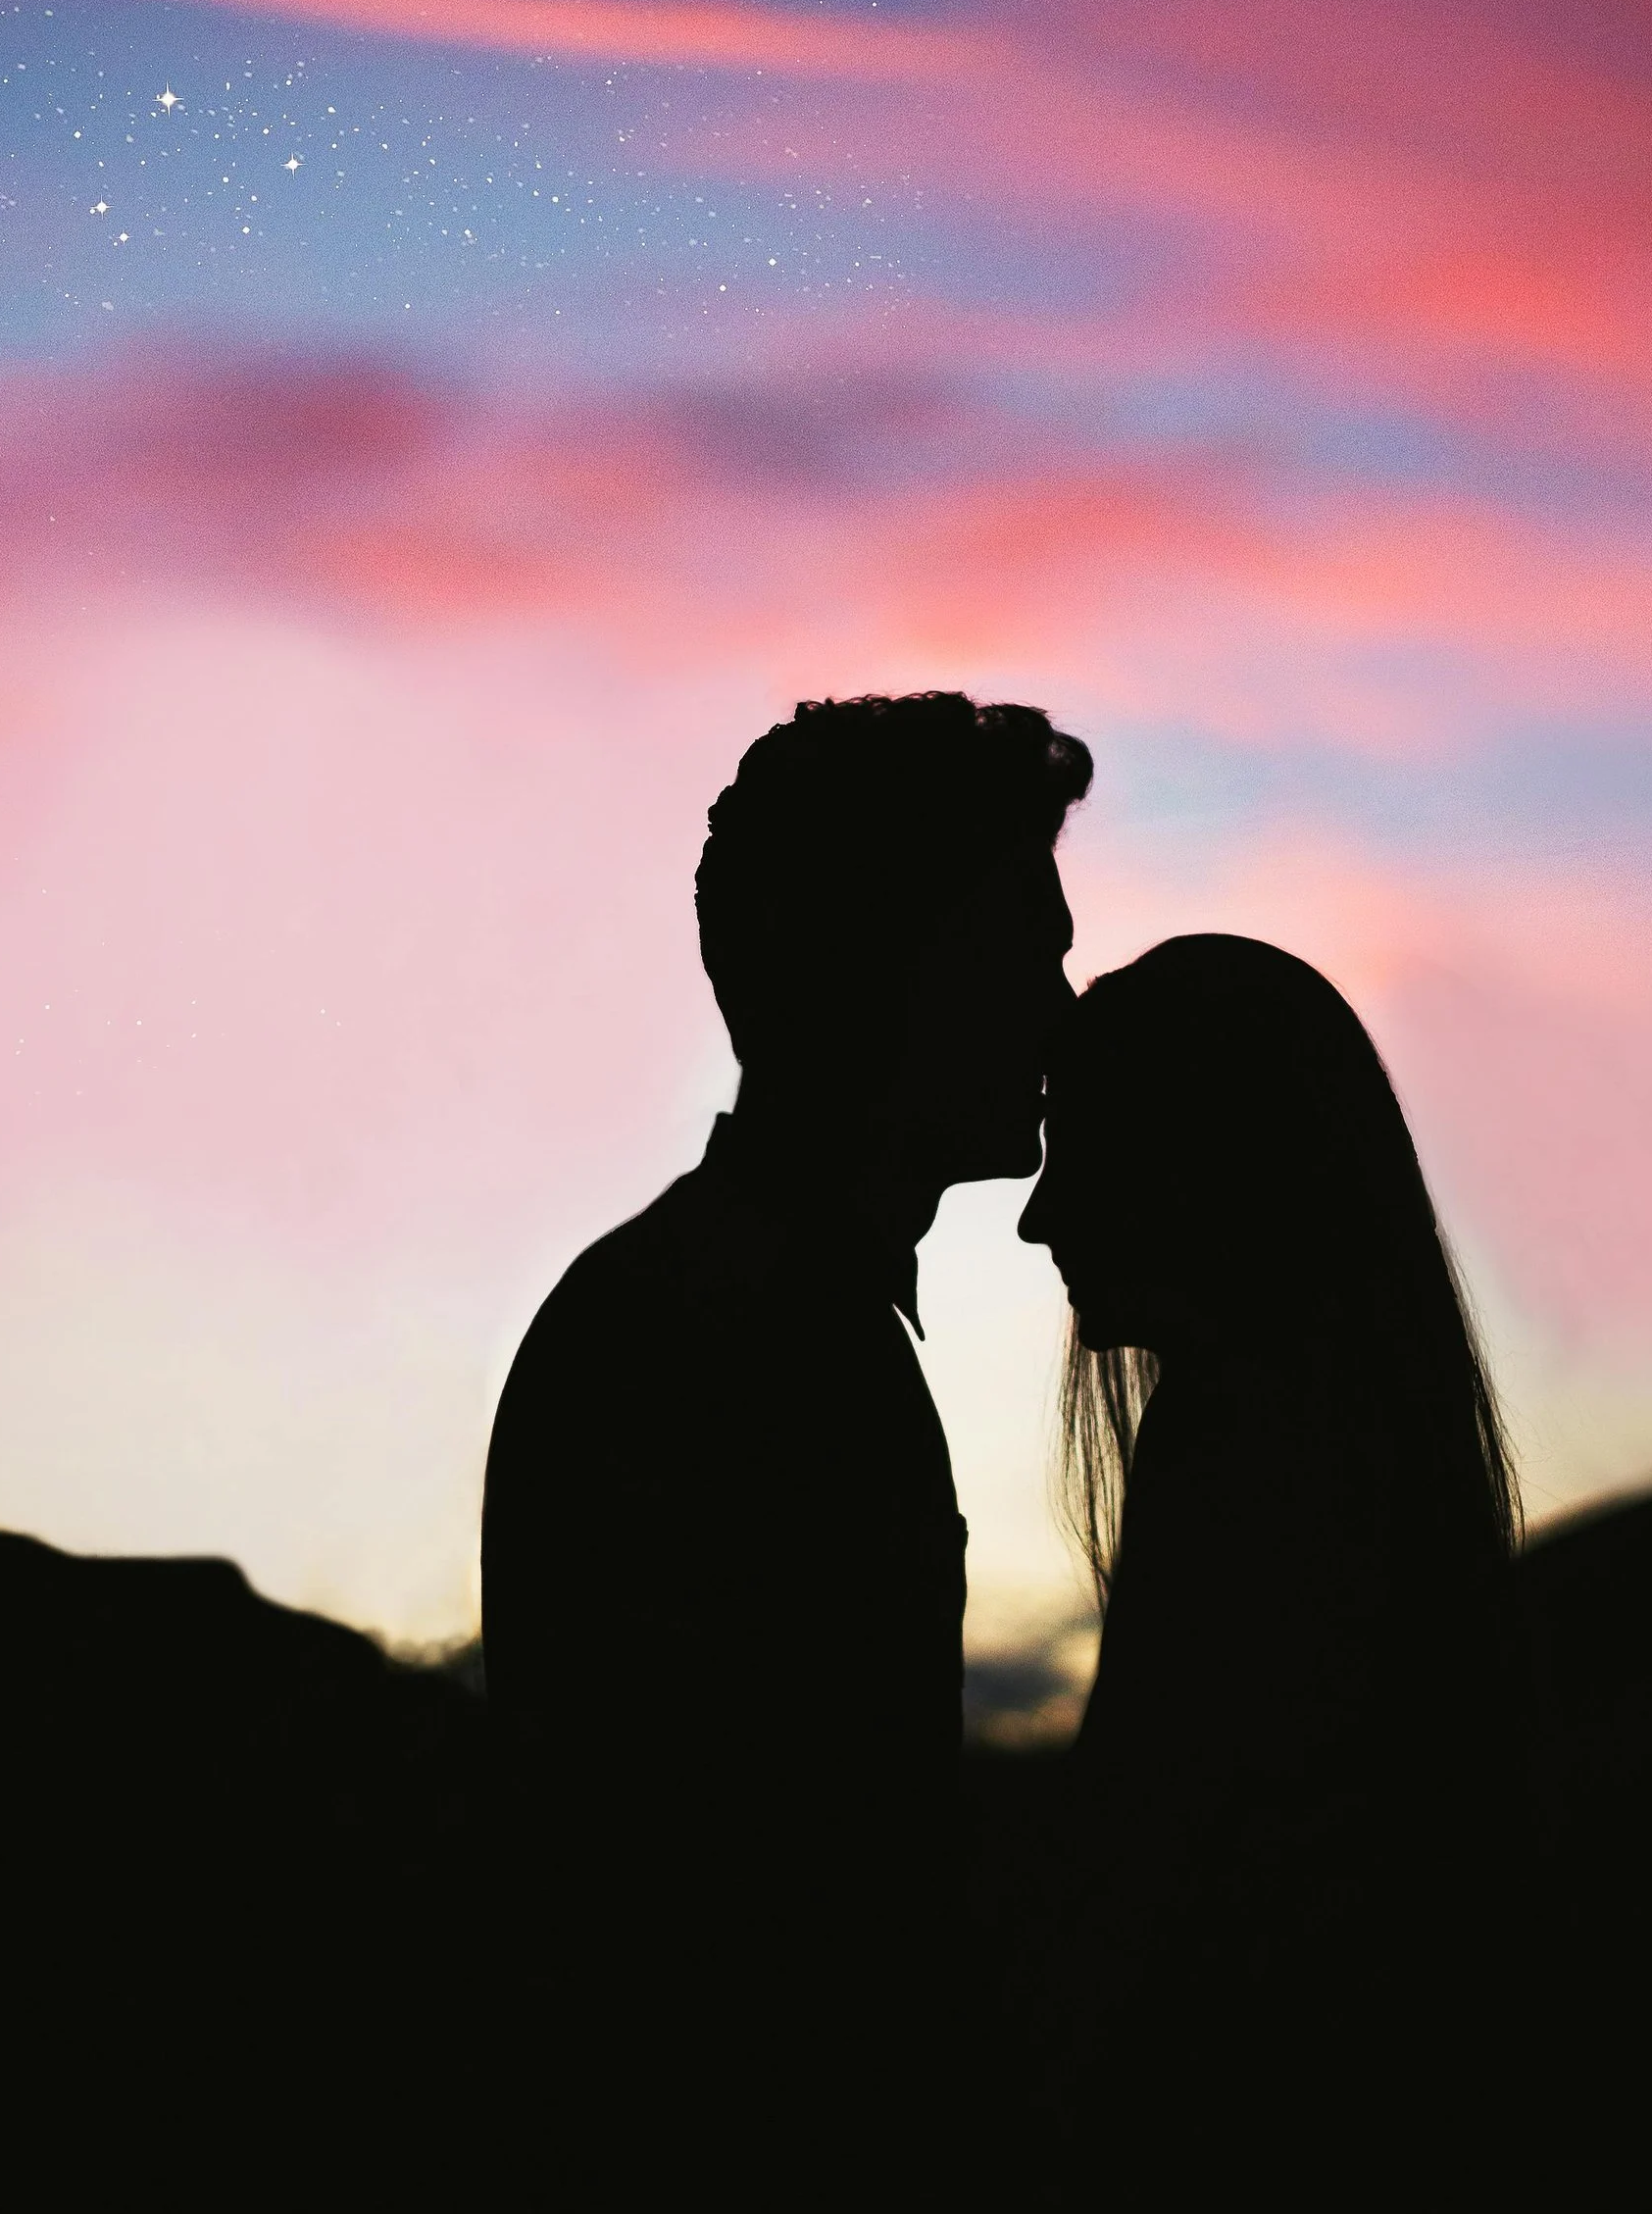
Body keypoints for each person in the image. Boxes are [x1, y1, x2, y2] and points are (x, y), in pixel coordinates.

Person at [480, 690, 1090, 2193]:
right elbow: (801, 1938)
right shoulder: (753, 1342)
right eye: (1031, 945)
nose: (1063, 1008)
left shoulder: (707, 1301)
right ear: (909, 961)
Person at [1015, 933, 1523, 2203]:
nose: (1037, 1213)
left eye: (1082, 1145)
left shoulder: (1244, 1462)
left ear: (1198, 1162)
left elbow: (1129, 1938)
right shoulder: (1346, 1451)